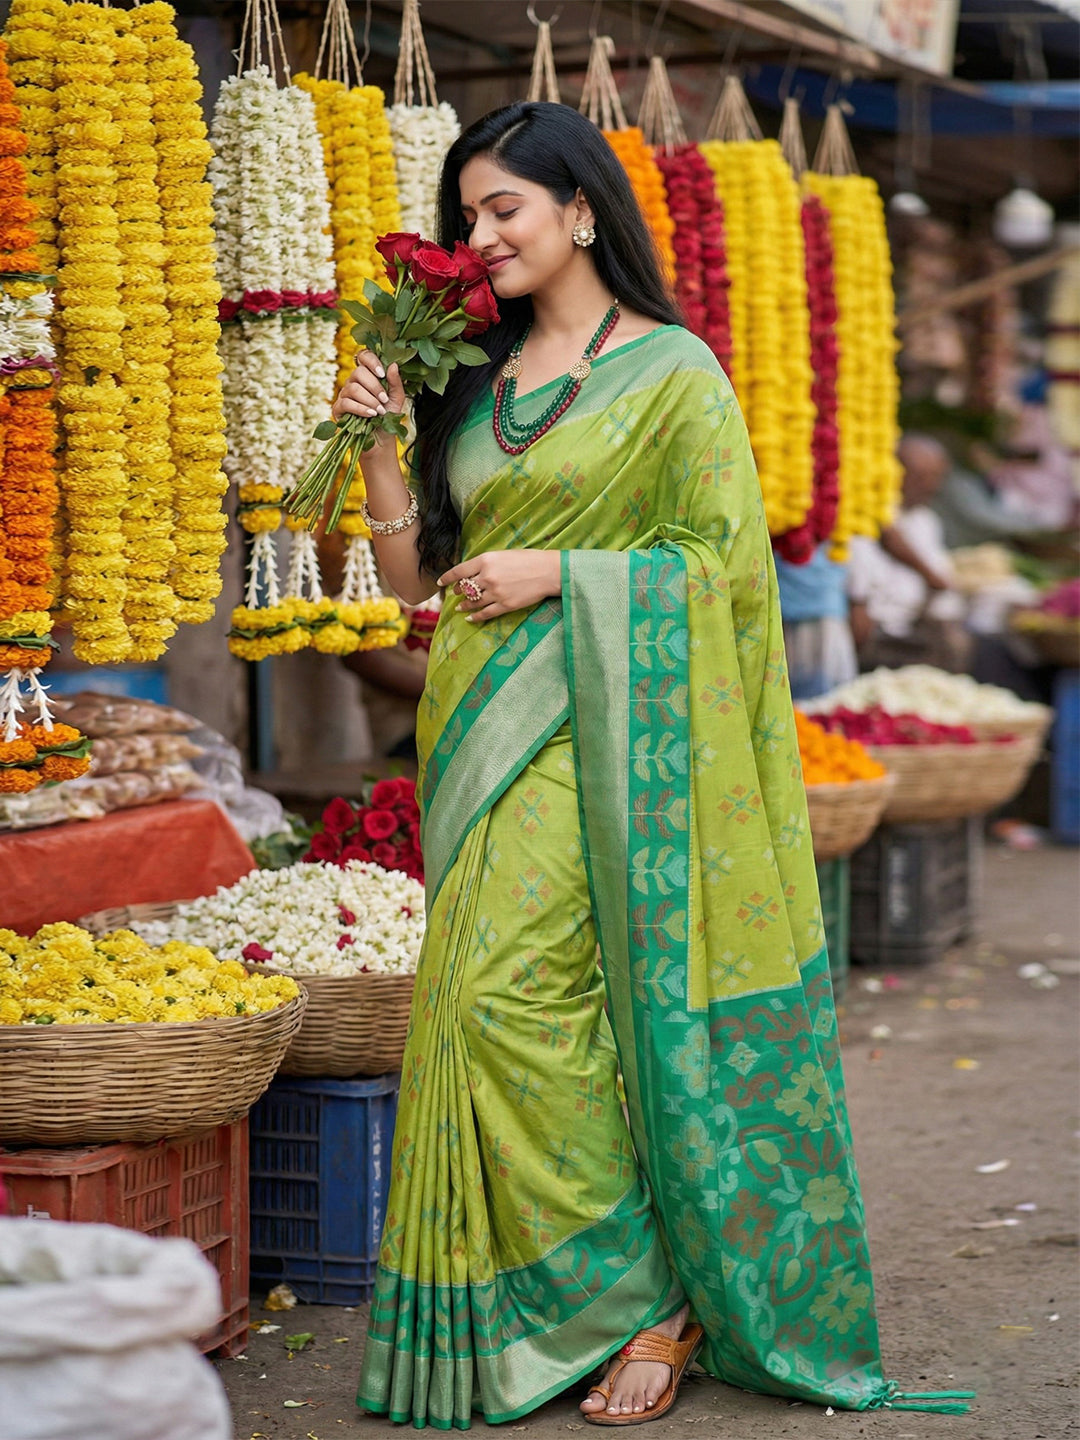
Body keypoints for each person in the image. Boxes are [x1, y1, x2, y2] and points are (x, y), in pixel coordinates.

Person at [331, 102, 970, 1431]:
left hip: (611, 741)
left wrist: (564, 572)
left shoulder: (676, 374)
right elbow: (414, 591)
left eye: (503, 207)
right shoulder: (473, 370)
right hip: (481, 733)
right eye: (465, 216)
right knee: (486, 1005)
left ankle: (648, 1303)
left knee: (522, 995)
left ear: (580, 209)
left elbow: (724, 574)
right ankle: (545, 1299)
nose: (479, 235)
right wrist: (384, 441)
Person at [848, 433, 973, 673]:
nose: (929, 485)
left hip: (917, 628)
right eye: (920, 476)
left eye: (936, 477)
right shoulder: (865, 516)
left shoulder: (927, 520)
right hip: (879, 635)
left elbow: (941, 583)